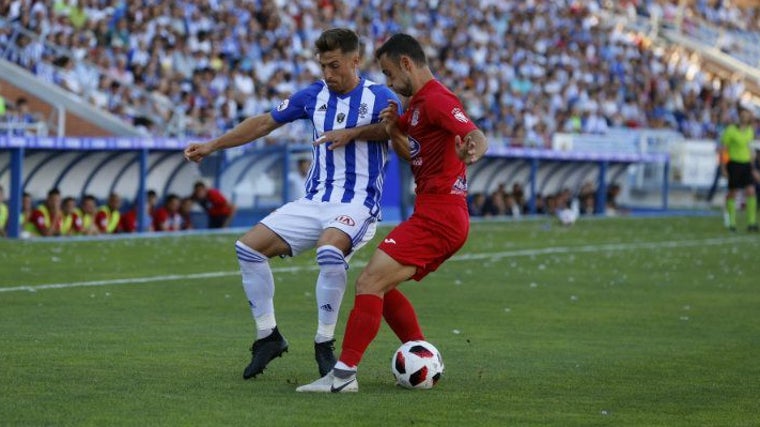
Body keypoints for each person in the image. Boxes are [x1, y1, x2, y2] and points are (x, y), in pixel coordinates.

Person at [184, 28, 401, 380]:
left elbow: (396, 130)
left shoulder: (380, 97)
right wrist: (213, 145)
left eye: (334, 66)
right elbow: (264, 123)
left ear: (354, 60)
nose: (328, 75)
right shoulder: (313, 96)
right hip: (313, 200)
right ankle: (268, 336)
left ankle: (324, 343)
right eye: (323, 67)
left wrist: (354, 133)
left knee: (329, 253)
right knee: (248, 248)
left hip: (356, 202)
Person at [297, 33, 488, 393]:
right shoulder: (415, 107)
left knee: (369, 283)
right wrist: (392, 126)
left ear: (406, 64)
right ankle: (421, 351)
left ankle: (342, 376)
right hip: (435, 214)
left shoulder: (436, 99)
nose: (387, 83)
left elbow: (474, 133)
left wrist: (472, 150)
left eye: (388, 74)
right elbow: (410, 153)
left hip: (441, 216)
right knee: (377, 286)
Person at [720, 107, 758, 232]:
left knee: (751, 191)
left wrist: (753, 168)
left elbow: (751, 150)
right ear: (739, 116)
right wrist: (724, 167)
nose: (744, 117)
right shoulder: (730, 130)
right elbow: (723, 149)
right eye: (742, 114)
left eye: (747, 115)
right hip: (734, 164)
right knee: (733, 192)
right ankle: (731, 222)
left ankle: (751, 223)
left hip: (746, 164)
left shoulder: (750, 131)